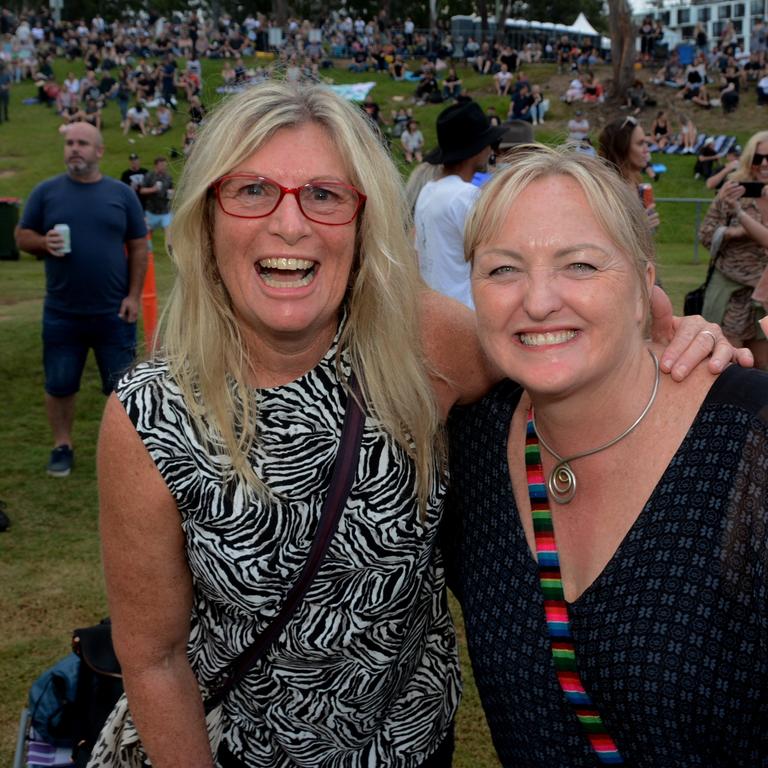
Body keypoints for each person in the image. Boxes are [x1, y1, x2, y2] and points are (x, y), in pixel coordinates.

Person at [91, 80, 733, 768]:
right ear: (208, 215)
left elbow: (555, 339)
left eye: (325, 194)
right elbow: (154, 660)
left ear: (364, 221)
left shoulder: (424, 342)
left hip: (413, 747)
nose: (290, 224)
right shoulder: (151, 415)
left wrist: (671, 337)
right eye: (252, 190)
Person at [444, 145, 767, 767]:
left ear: (646, 282)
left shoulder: (749, 444)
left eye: (581, 265)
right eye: (503, 269)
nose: (538, 301)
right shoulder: (471, 447)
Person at [15, 122, 147, 477]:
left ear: (99, 151)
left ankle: (126, 451)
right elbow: (22, 235)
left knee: (124, 390)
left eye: (83, 143)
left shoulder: (121, 194)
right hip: (62, 313)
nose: (75, 148)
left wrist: (134, 296)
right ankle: (62, 445)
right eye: (70, 143)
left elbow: (138, 246)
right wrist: (43, 243)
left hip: (115, 313)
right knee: (59, 385)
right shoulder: (46, 193)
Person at [415, 100, 505, 308]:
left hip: (437, 306)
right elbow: (495, 256)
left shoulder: (427, 191)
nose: (491, 149)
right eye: (488, 143)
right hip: (466, 309)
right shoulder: (465, 196)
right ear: (478, 150)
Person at [700, 131, 768, 368]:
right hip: (730, 293)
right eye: (759, 158)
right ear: (749, 159)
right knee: (732, 366)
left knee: (762, 365)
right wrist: (731, 232)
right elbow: (706, 234)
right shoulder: (732, 190)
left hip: (764, 295)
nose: (765, 163)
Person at [598, 116, 660, 231]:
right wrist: (639, 228)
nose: (647, 150)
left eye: (646, 143)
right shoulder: (606, 191)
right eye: (640, 144)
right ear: (622, 148)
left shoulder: (636, 183)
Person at [140, 156, 174, 239]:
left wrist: (172, 193)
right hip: (151, 211)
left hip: (165, 211)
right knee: (146, 234)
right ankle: (148, 251)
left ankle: (171, 250)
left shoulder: (168, 177)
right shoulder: (149, 176)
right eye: (161, 165)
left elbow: (171, 188)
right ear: (156, 165)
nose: (164, 167)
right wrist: (153, 189)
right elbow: (142, 190)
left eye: (165, 165)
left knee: (169, 233)